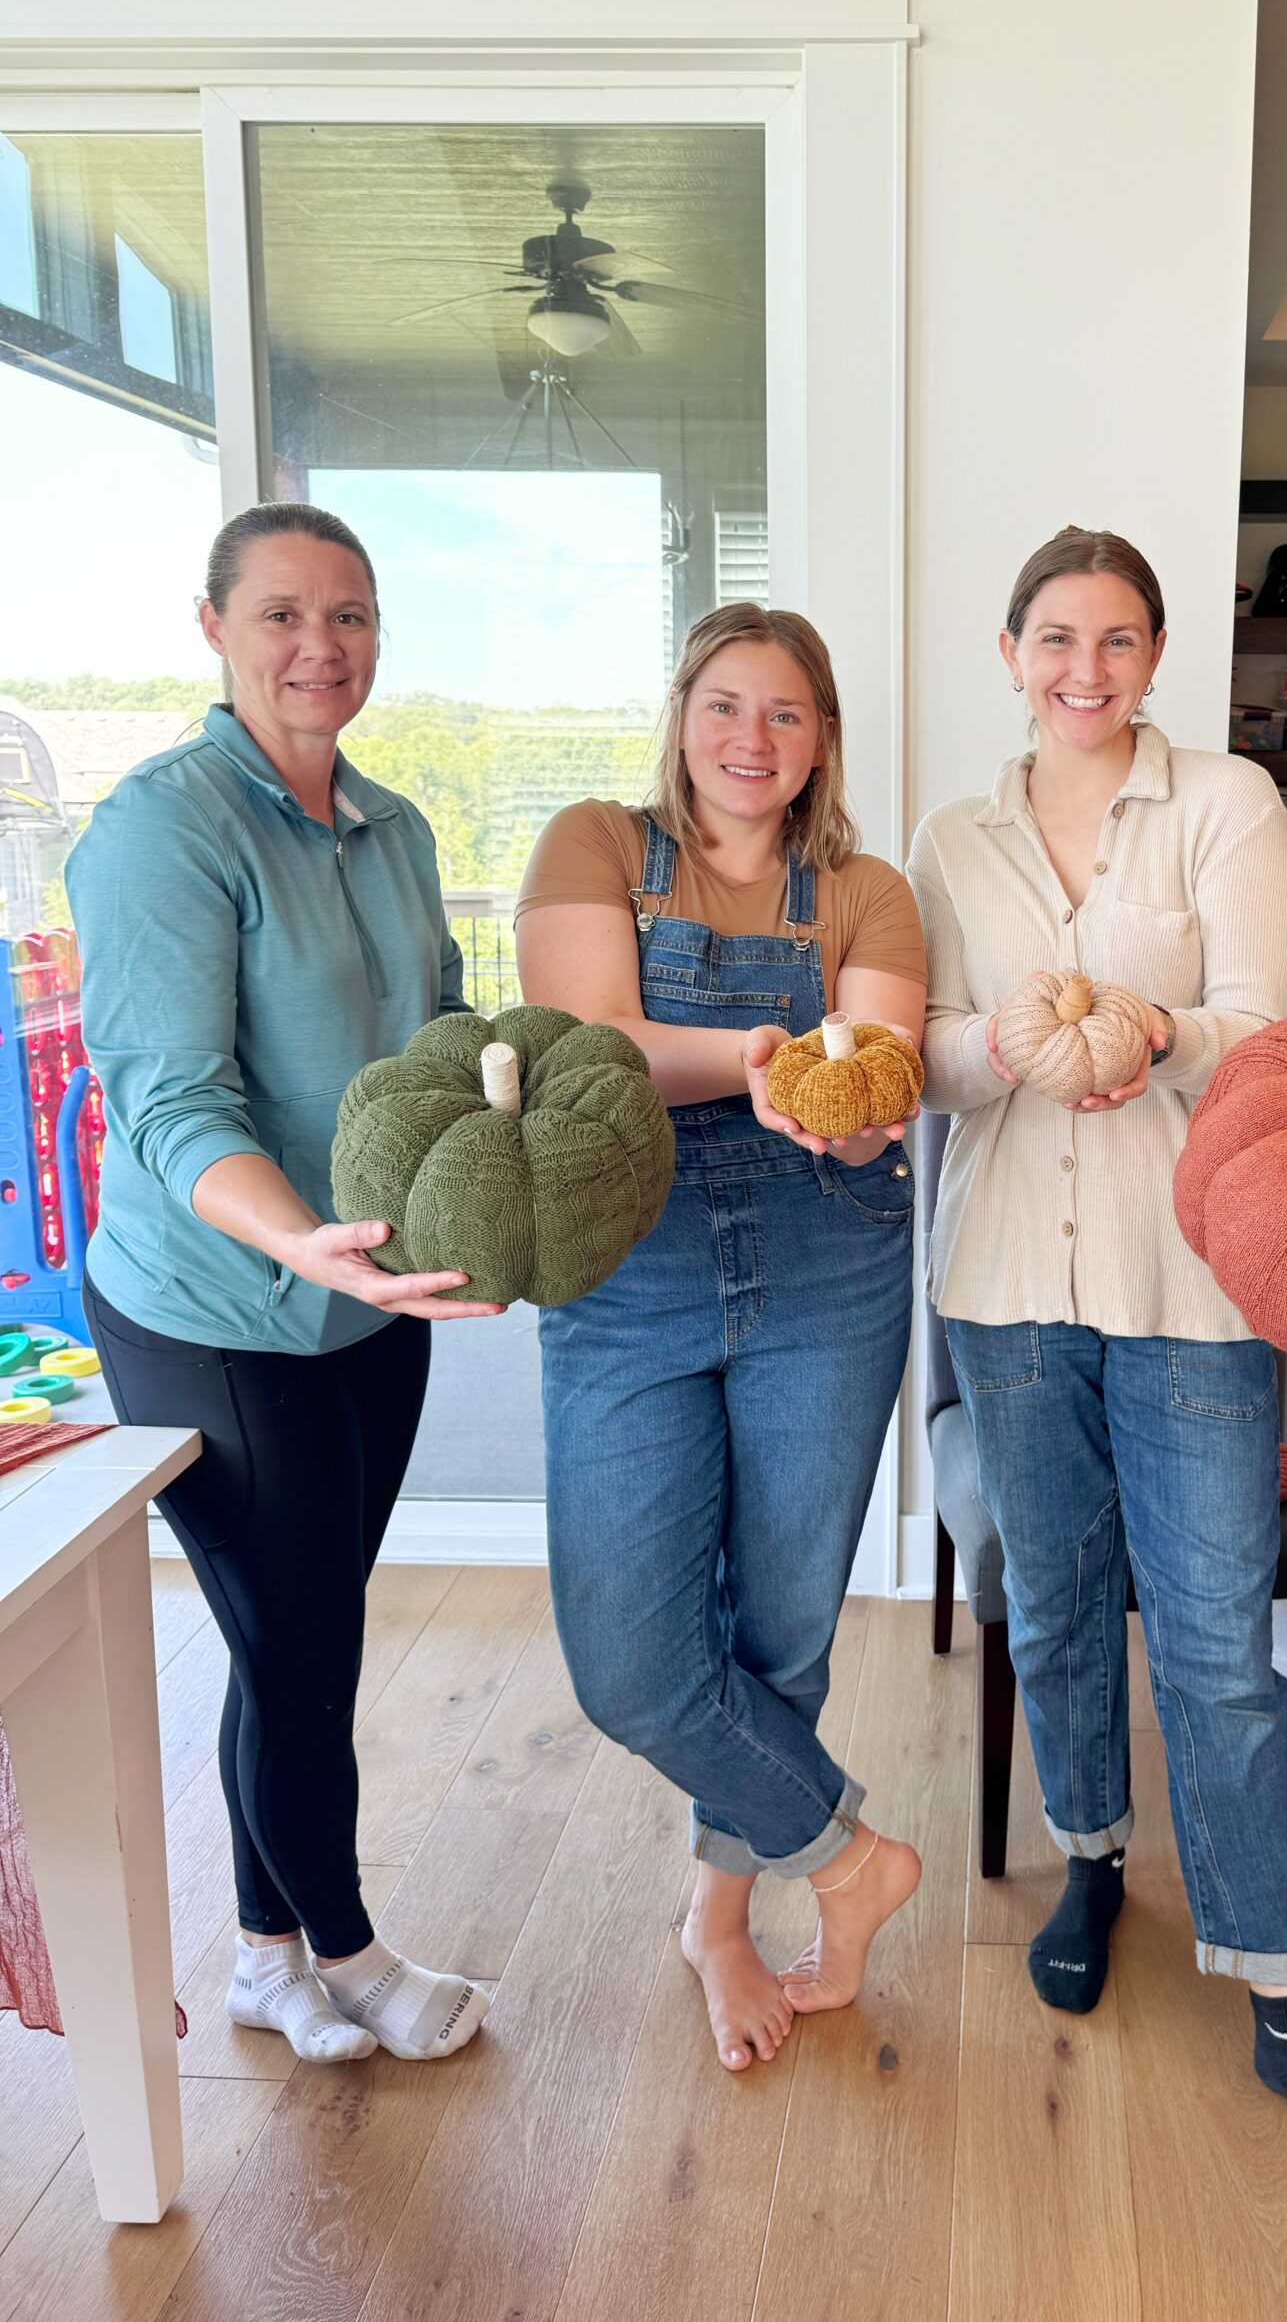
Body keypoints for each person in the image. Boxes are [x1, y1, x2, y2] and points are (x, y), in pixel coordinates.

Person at [909, 526, 1287, 2193]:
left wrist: (1153, 1035)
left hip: (1195, 1281)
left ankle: (1284, 1995)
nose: (1088, 668)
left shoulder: (1222, 803)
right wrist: (997, 1046)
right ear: (1010, 651)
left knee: (1218, 1641)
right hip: (1006, 1281)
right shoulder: (952, 835)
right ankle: (1090, 1861)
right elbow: (924, 1058)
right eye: (1057, 638)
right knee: (1064, 1603)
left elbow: (1273, 1030)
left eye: (1120, 640)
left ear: (1157, 657)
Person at [69, 502, 500, 2067]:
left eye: (352, 617)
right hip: (214, 1311)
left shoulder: (394, 827)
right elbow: (171, 1102)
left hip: (362, 1305)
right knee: (301, 1646)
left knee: (300, 1638)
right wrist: (296, 1239)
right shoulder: (159, 830)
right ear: (214, 629)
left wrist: (507, 1183)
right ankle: (353, 1955)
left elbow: (441, 1035)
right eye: (282, 616)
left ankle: (264, 1957)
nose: (322, 648)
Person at [516, 602, 926, 2075]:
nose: (753, 741)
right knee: (630, 1658)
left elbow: (875, 1068)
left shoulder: (865, 890)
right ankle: (847, 1854)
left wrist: (855, 1092)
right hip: (628, 1260)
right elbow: (589, 1046)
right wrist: (765, 1060)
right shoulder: (592, 846)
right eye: (726, 707)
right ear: (682, 714)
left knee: (781, 1630)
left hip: (831, 1257)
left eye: (787, 715)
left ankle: (720, 1918)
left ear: (823, 742)